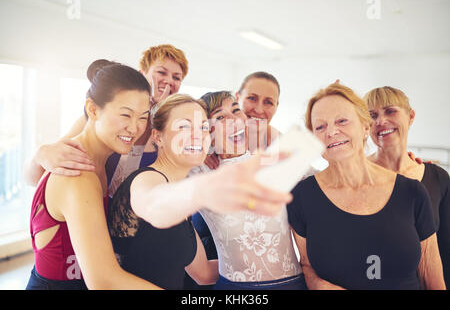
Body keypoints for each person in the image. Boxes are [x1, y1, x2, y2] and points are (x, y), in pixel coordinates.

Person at [107, 93, 293, 289]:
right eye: (184, 127)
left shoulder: (181, 193)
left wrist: (271, 269)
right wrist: (205, 188)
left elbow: (203, 274)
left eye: (203, 127)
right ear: (158, 137)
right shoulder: (148, 179)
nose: (198, 135)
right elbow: (154, 205)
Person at [287, 82, 445, 289]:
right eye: (320, 126)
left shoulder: (412, 192)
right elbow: (307, 265)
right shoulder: (301, 197)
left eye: (342, 121)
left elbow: (430, 273)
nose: (332, 132)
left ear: (365, 127)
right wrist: (318, 285)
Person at [26, 59, 162, 289]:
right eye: (125, 115)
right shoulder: (76, 171)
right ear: (92, 109)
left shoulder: (107, 160)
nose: (135, 127)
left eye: (142, 117)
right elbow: (103, 281)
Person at [23, 44, 189, 199]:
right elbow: (34, 178)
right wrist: (41, 153)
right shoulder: (99, 119)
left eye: (176, 77)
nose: (169, 81)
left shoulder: (170, 129)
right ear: (141, 74)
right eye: (161, 72)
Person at [185, 91, 306, 290]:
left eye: (236, 110)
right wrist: (202, 149)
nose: (234, 120)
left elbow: (328, 180)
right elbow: (163, 134)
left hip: (294, 285)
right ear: (205, 129)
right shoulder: (198, 172)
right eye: (220, 116)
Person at [364, 86, 450, 289]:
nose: (381, 121)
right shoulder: (357, 176)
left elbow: (446, 248)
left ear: (410, 116)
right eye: (372, 115)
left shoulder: (438, 178)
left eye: (390, 111)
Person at [205, 71, 282, 169]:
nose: (259, 110)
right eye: (252, 98)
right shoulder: (209, 143)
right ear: (237, 97)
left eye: (268, 102)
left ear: (276, 106)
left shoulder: (284, 147)